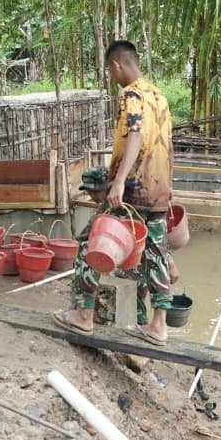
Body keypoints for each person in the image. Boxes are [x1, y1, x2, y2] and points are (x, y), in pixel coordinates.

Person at [55, 40, 174, 346]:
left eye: (111, 70)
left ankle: (83, 315)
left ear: (117, 65)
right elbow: (167, 145)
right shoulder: (158, 96)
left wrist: (119, 181)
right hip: (159, 191)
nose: (113, 76)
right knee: (156, 254)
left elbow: (135, 134)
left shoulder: (131, 93)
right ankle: (158, 325)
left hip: (133, 189)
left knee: (88, 242)